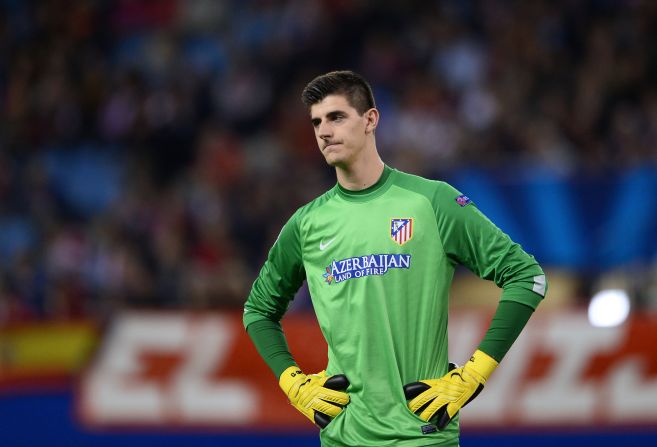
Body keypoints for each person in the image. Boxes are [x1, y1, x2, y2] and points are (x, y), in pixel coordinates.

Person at [243, 70, 547, 447]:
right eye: (316, 122)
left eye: (336, 117)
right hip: (343, 438)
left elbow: (528, 277)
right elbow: (258, 310)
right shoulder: (307, 224)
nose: (323, 131)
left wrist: (475, 374)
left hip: (422, 437)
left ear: (370, 119)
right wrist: (292, 382)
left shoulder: (432, 202)